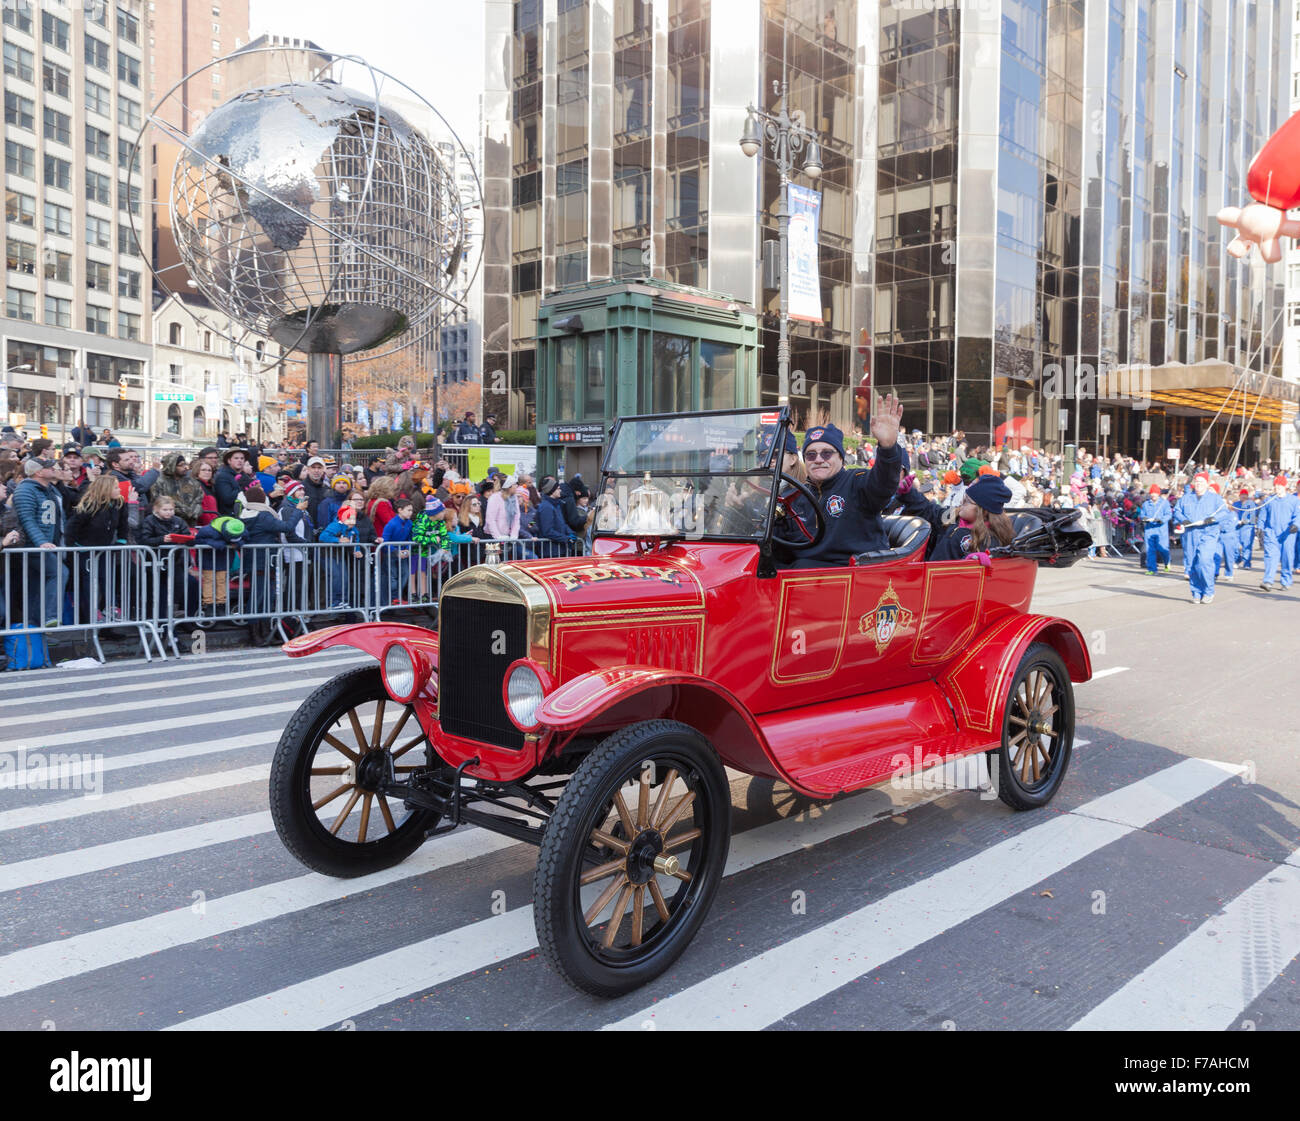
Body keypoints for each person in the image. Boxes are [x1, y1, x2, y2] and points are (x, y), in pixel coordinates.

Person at [776, 396, 905, 568]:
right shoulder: (793, 496)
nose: (818, 459)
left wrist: (888, 448)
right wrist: (740, 508)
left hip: (853, 574)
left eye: (827, 453)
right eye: (811, 455)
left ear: (841, 458)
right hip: (803, 575)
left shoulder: (857, 482)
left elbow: (884, 483)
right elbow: (777, 543)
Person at [897, 471, 1015, 560]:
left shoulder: (990, 537)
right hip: (930, 573)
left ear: (983, 511)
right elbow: (931, 511)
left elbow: (993, 559)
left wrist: (972, 563)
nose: (961, 503)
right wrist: (909, 494)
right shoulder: (954, 516)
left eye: (967, 501)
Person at [65, 474, 130, 625]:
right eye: (115, 487)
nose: (118, 489)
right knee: (90, 582)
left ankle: (111, 606)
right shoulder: (88, 505)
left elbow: (123, 526)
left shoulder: (119, 504)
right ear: (105, 489)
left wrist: (121, 542)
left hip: (105, 550)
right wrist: (75, 548)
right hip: (85, 551)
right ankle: (91, 612)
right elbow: (71, 528)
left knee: (107, 578)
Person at [12, 456, 66, 627]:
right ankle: (49, 616)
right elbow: (26, 519)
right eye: (49, 467)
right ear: (38, 472)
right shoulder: (25, 490)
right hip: (32, 546)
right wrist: (41, 542)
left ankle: (35, 624)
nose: (54, 468)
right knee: (59, 572)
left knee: (36, 585)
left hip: (47, 544)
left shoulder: (50, 489)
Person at [1172, 472, 1227, 604]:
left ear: (1207, 484)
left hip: (1208, 533)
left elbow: (1224, 512)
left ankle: (1208, 591)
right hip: (1190, 534)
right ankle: (1196, 592)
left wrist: (1213, 519)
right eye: (1196, 482)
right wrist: (1183, 520)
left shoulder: (1215, 498)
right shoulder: (1186, 498)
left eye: (1201, 482)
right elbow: (1177, 510)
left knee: (1204, 560)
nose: (1198, 484)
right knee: (1191, 564)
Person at [1258, 475, 1298, 592]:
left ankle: (1286, 581)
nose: (1277, 488)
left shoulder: (1294, 501)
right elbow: (1262, 516)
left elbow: (1298, 515)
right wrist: (1260, 528)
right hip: (1271, 533)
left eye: (1280, 485)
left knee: (1287, 558)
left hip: (1287, 533)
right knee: (1270, 557)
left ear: (1285, 486)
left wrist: (1296, 525)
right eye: (1275, 485)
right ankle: (1268, 581)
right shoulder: (1269, 500)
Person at [1138, 484, 1172, 575]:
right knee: (1150, 550)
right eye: (1152, 493)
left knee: (1163, 548)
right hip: (1149, 529)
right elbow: (1142, 514)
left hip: (1161, 529)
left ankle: (1167, 562)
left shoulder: (1164, 503)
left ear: (1158, 494)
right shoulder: (1146, 504)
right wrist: (1144, 518)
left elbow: (1169, 514)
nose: (1153, 495)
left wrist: (1162, 520)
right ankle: (1152, 569)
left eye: (1155, 493)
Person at [1232, 487, 1258, 569]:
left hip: (1247, 527)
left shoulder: (1252, 504)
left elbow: (1253, 516)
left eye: (1245, 495)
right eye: (1242, 495)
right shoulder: (1235, 504)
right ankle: (1237, 559)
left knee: (1247, 546)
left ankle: (1247, 563)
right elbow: (1231, 514)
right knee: (1235, 545)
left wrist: (1245, 521)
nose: (1243, 496)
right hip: (1237, 527)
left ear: (1247, 496)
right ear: (1239, 496)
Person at [299, 455, 331, 523]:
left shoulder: (327, 488)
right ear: (308, 469)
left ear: (323, 469)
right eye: (313, 467)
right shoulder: (300, 488)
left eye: (319, 468)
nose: (316, 470)